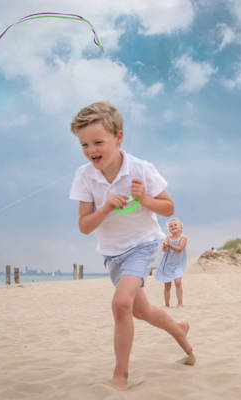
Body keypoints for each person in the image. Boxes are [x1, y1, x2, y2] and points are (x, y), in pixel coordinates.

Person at [68, 101, 195, 390]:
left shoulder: (140, 169)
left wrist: (144, 198)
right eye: (84, 145)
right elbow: (85, 226)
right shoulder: (84, 176)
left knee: (121, 303)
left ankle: (120, 376)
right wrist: (106, 208)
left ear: (119, 137)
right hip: (113, 254)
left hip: (143, 244)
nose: (91, 151)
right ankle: (179, 329)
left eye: (98, 142)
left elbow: (168, 207)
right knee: (141, 310)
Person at [155, 218, 188, 307]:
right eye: (170, 226)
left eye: (175, 225)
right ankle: (167, 304)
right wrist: (165, 246)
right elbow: (164, 250)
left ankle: (180, 303)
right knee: (167, 285)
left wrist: (169, 245)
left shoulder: (183, 238)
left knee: (178, 282)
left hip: (178, 265)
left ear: (181, 228)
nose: (173, 227)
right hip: (168, 265)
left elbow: (180, 249)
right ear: (169, 229)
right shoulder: (168, 238)